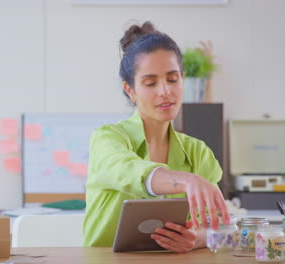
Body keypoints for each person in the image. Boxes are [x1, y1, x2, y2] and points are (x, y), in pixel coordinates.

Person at [82, 21, 229, 253]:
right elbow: (129, 170)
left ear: (182, 78)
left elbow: (221, 230)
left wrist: (196, 239)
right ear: (130, 90)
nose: (165, 91)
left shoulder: (197, 152)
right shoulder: (108, 139)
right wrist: (186, 180)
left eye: (172, 79)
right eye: (150, 83)